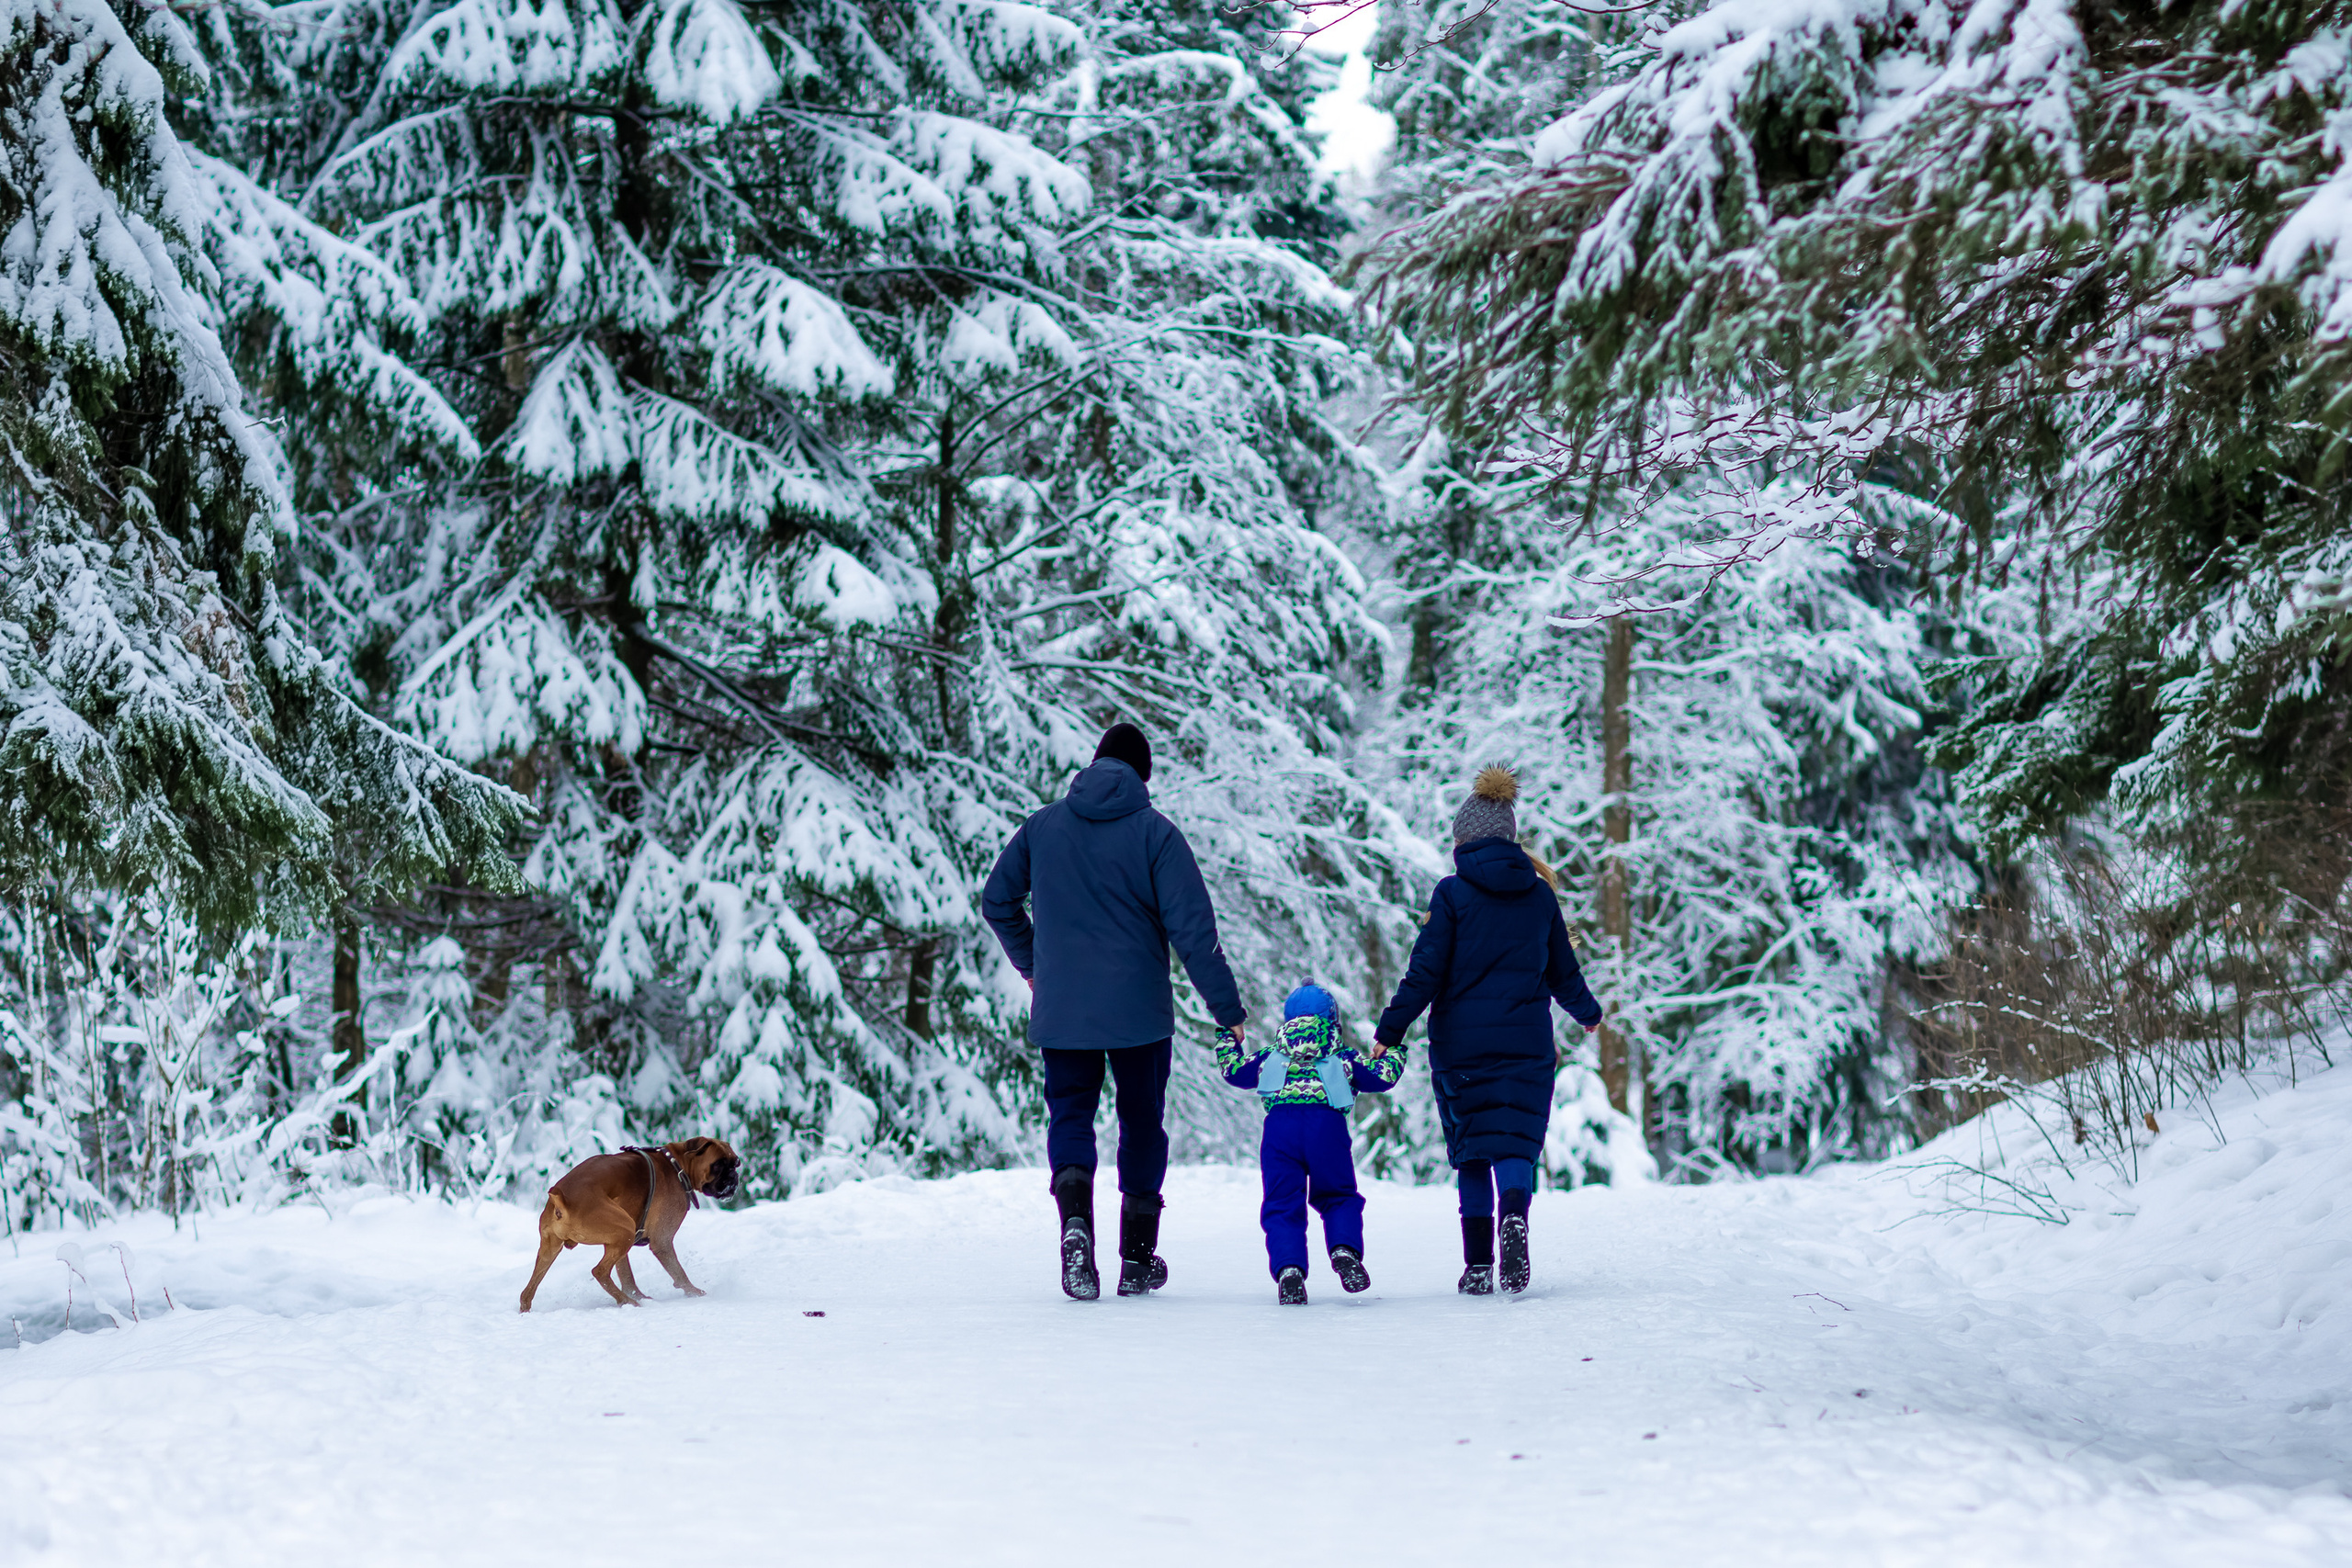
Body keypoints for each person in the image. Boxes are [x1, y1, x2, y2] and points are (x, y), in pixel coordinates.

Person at [981, 722, 1249, 1300]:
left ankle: (1075, 1229)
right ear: (1142, 775)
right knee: (1142, 1124)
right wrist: (1226, 1008)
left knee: (1071, 1117)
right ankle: (1136, 1258)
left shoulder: (1042, 826)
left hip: (1065, 1010)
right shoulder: (1157, 834)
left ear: (1095, 763)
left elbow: (996, 900)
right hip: (1139, 1015)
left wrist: (1035, 966)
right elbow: (1194, 932)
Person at [1374, 767, 1601, 1295]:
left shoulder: (1451, 894)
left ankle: (1478, 1266)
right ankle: (1515, 1218)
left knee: (1472, 1148)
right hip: (1526, 1044)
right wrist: (1586, 1013)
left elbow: (1424, 972)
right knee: (1515, 1142)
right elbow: (1562, 971)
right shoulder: (1540, 895)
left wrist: (1392, 1027)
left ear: (1462, 840)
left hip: (1461, 1047)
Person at [1216, 982, 1406, 1304]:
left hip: (1280, 1132)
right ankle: (1344, 1250)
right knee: (1338, 1195)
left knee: (1282, 1204)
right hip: (1327, 1130)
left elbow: (1233, 1071)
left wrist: (1228, 1038)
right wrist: (1393, 1048)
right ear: (1333, 1020)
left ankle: (1290, 1270)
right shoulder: (1343, 1057)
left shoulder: (1269, 1058)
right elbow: (1384, 1076)